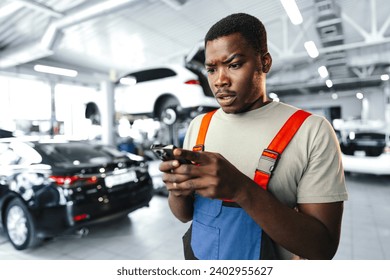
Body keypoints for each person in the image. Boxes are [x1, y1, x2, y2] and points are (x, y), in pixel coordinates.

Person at [159, 13, 348, 260]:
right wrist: (177, 190)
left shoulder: (311, 131)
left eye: (234, 65)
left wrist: (241, 189)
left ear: (264, 62)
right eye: (211, 69)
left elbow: (322, 248)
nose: (220, 81)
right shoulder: (198, 126)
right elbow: (185, 215)